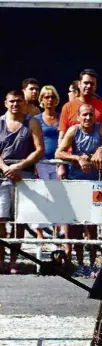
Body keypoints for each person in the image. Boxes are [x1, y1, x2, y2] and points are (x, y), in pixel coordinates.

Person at [55, 104, 102, 275]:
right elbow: (58, 153)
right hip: (76, 183)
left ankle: (93, 263)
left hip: (96, 184)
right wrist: (77, 158)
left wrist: (99, 155)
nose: (87, 118)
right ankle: (79, 263)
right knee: (75, 227)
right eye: (84, 115)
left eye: (90, 115)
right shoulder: (73, 131)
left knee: (93, 226)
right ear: (78, 117)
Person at [0, 90, 44, 273]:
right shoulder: (0, 122)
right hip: (2, 176)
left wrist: (20, 166)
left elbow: (39, 149)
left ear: (24, 103)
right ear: (5, 103)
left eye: (19, 101)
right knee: (1, 221)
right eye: (12, 101)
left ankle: (14, 261)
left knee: (20, 221)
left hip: (24, 176)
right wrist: (5, 168)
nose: (15, 104)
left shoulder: (31, 122)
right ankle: (0, 260)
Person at [58, 69, 102, 179]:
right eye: (86, 83)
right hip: (71, 164)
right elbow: (61, 138)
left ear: (95, 87)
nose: (88, 86)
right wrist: (60, 165)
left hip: (98, 167)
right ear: (79, 84)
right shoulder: (67, 107)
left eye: (92, 84)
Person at [34, 85, 61, 239]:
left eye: (52, 97)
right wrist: (35, 164)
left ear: (56, 99)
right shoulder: (36, 120)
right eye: (46, 97)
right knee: (42, 196)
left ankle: (57, 233)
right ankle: (39, 234)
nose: (49, 100)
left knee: (57, 197)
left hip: (58, 162)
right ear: (41, 100)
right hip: (41, 162)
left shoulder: (60, 117)